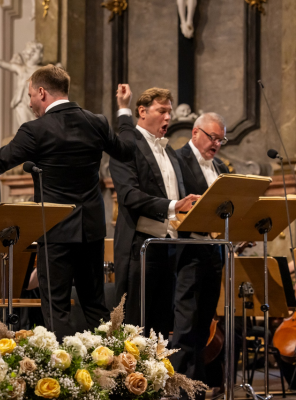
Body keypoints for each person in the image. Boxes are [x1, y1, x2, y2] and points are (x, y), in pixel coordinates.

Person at [0, 65, 135, 339]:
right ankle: (111, 360)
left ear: (41, 92)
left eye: (30, 95)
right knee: (95, 305)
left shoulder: (35, 130)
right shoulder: (97, 122)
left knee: (56, 308)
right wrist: (124, 112)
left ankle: (65, 365)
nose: (29, 103)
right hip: (91, 230)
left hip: (56, 230)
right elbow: (127, 150)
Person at [109, 84, 199, 336]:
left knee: (160, 329)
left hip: (168, 247)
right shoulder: (127, 145)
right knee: (133, 327)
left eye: (170, 111)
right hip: (140, 248)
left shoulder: (168, 150)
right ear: (142, 111)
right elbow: (128, 195)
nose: (168, 117)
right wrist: (173, 206)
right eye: (161, 111)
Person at [171, 113, 229, 393]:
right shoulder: (177, 160)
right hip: (188, 249)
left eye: (221, 140)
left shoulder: (220, 167)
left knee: (204, 324)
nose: (216, 144)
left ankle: (195, 389)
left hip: (214, 251)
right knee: (186, 324)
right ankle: (178, 387)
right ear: (195, 133)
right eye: (212, 137)